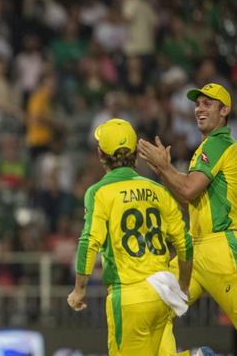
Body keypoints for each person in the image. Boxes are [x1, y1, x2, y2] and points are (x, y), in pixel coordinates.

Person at [68, 119, 193, 355]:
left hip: (129, 295)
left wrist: (79, 290)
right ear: (136, 152)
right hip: (163, 291)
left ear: (100, 153)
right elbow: (184, 242)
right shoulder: (158, 190)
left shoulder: (99, 192)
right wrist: (184, 285)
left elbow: (88, 242)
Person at [139, 83, 236, 356]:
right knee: (151, 310)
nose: (199, 109)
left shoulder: (219, 143)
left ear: (224, 110)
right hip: (197, 250)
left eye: (208, 103)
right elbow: (189, 200)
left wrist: (164, 167)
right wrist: (163, 171)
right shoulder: (206, 147)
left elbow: (189, 189)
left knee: (151, 313)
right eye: (197, 104)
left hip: (223, 248)